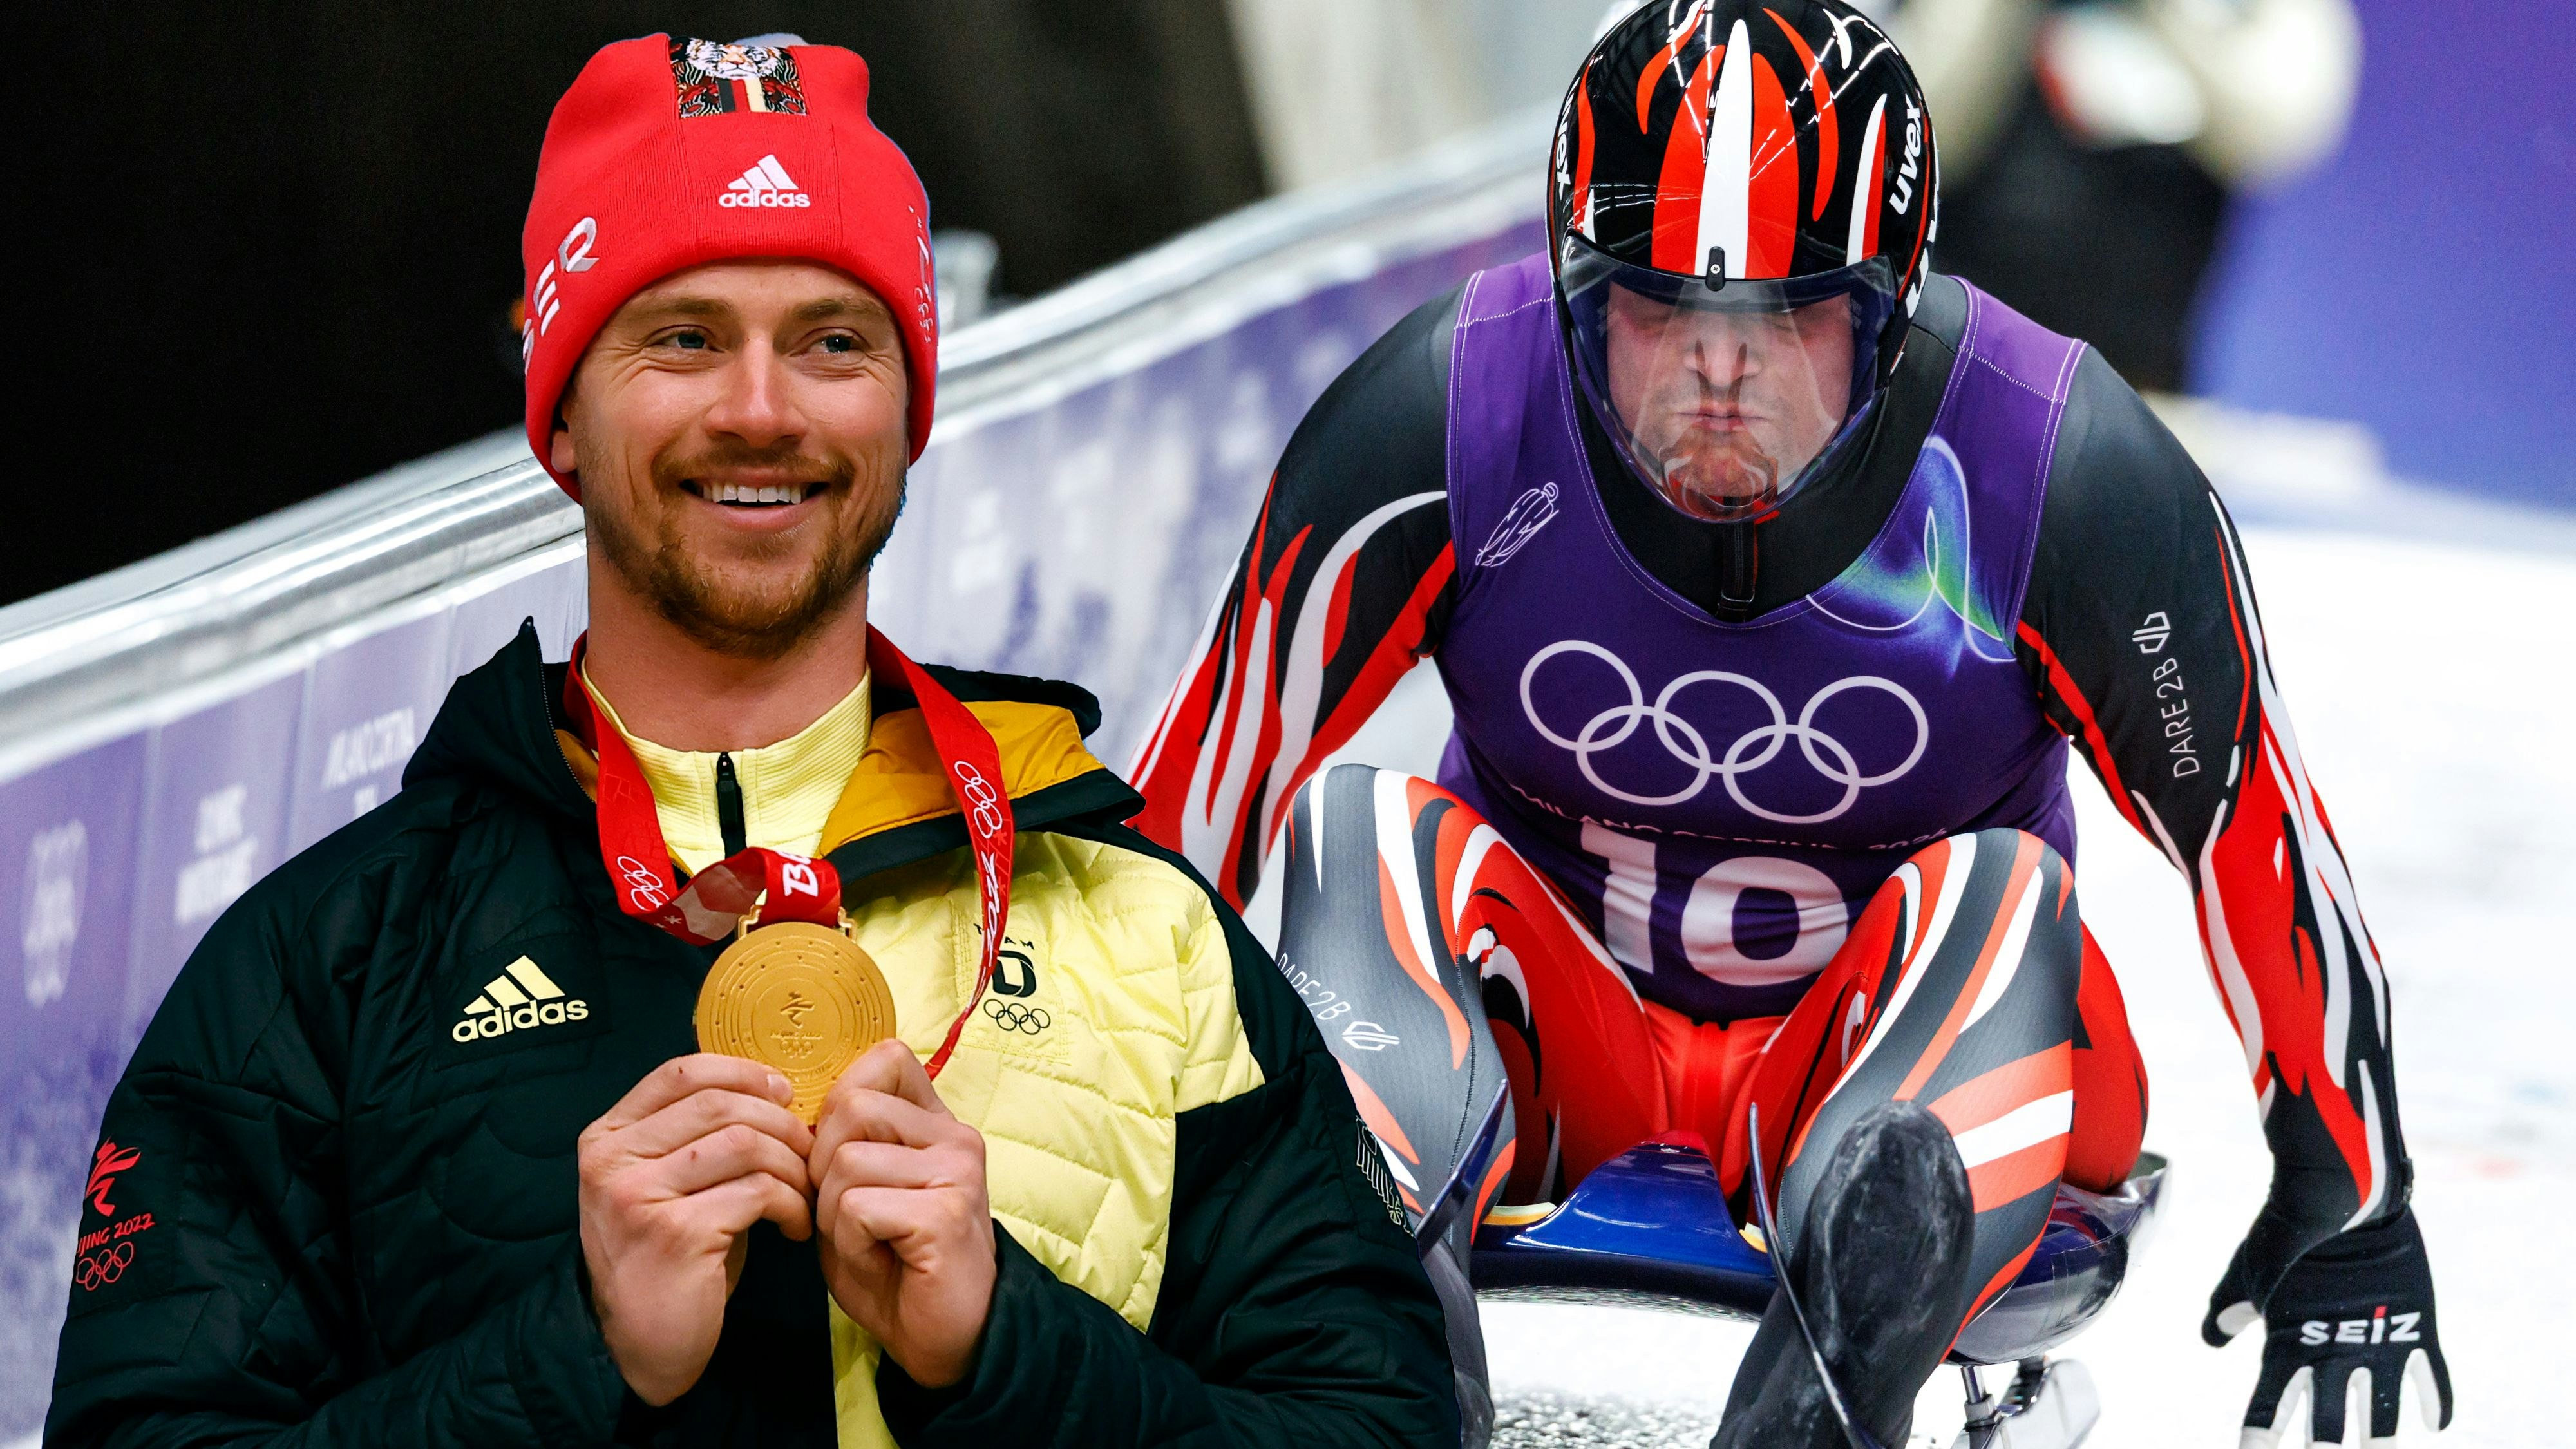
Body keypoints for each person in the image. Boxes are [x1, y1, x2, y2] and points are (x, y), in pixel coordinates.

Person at [44, 34, 1453, 1449]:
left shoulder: (1144, 929)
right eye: (685, 338)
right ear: (563, 417)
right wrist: (575, 1354)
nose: (762, 412)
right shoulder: (327, 964)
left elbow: (1382, 1427)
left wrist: (1003, 1349)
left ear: (907, 414)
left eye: (833, 342)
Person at [1129, 3, 2448, 1445]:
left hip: (1899, 1060)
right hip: (1549, 1057)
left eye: (1786, 321)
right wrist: (1079, 1134)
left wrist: (2350, 1202)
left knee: (2001, 892)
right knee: (1360, 829)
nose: (1720, 379)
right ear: (1575, 294)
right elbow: (1198, 794)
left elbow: (2250, 820)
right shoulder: (1450, 406)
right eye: (1658, 315)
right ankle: (1375, 1366)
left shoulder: (2054, 461)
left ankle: (1829, 1376)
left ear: (1890, 307)